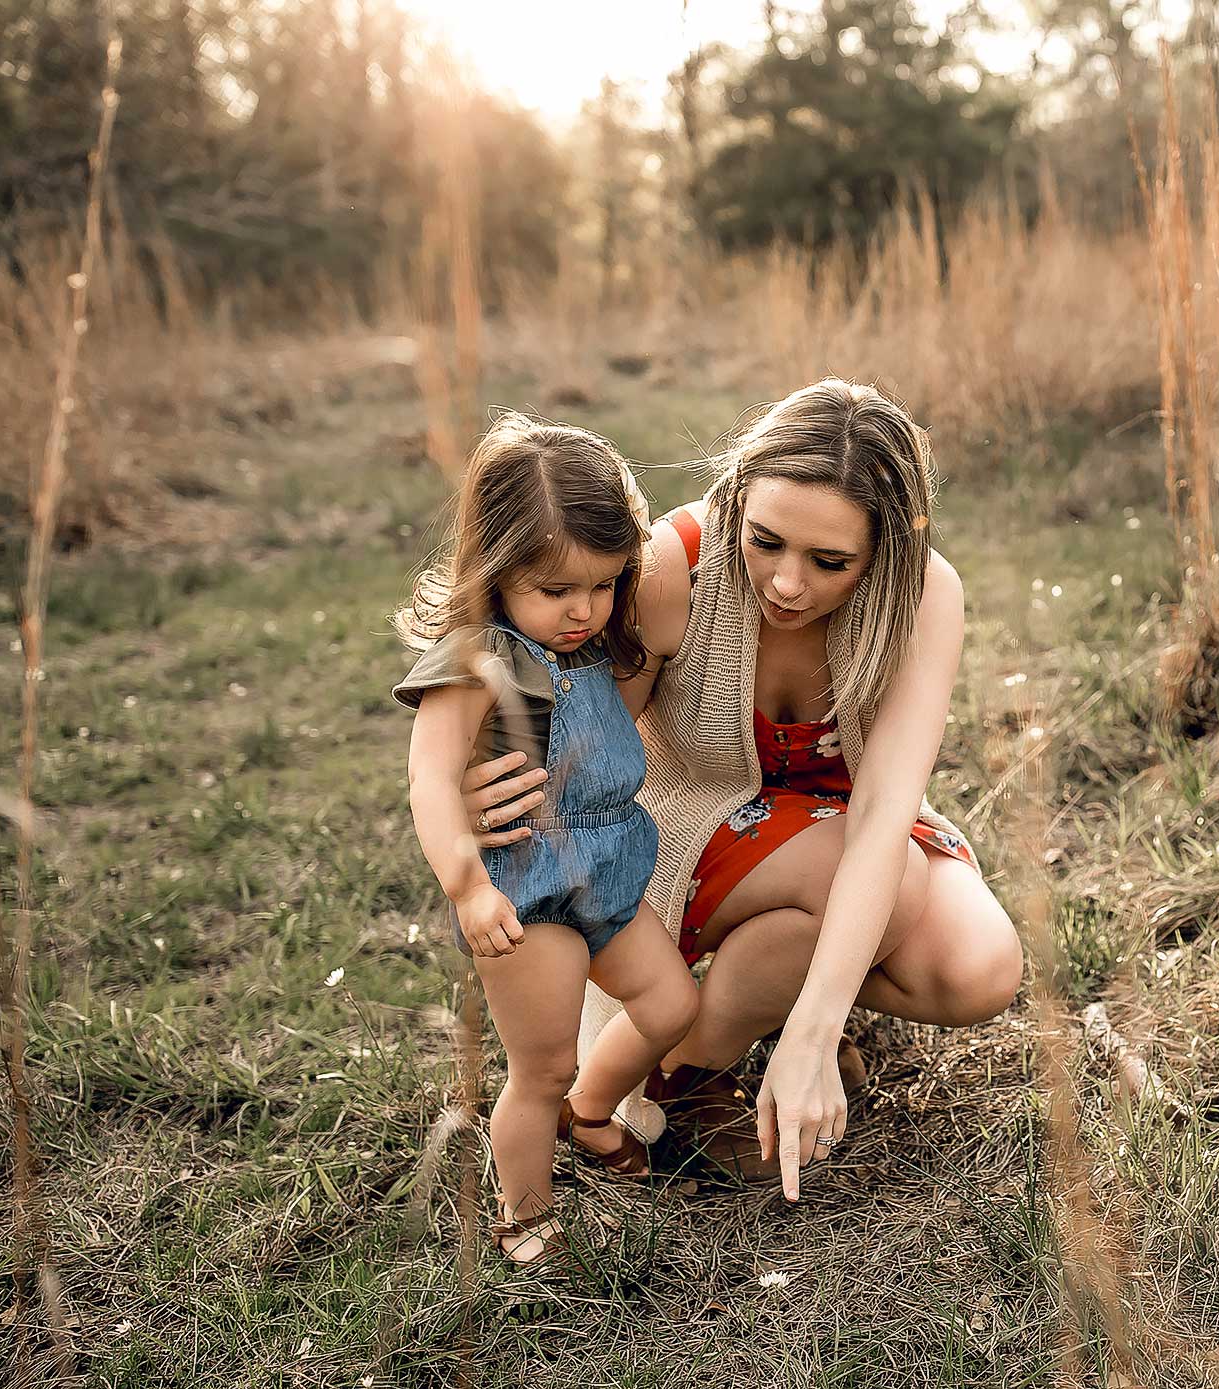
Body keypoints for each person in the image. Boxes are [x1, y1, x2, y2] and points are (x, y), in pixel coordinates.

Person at [463, 379, 1024, 1201]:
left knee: (979, 968)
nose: (788, 583)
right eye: (766, 542)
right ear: (735, 499)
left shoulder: (924, 594)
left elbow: (883, 813)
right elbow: (598, 747)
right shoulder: (674, 561)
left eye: (830, 562)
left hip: (847, 830)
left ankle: (735, 1038)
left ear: (893, 549)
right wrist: (488, 787)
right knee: (883, 883)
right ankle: (683, 1068)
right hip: (690, 817)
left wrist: (816, 1024)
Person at [394, 415, 699, 1265]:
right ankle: (525, 1216)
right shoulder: (478, 658)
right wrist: (468, 885)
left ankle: (590, 1114)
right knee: (540, 1069)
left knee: (674, 1004)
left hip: (607, 873)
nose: (582, 609)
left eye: (602, 585)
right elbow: (429, 778)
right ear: (496, 571)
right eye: (554, 589)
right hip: (526, 897)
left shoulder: (602, 643)